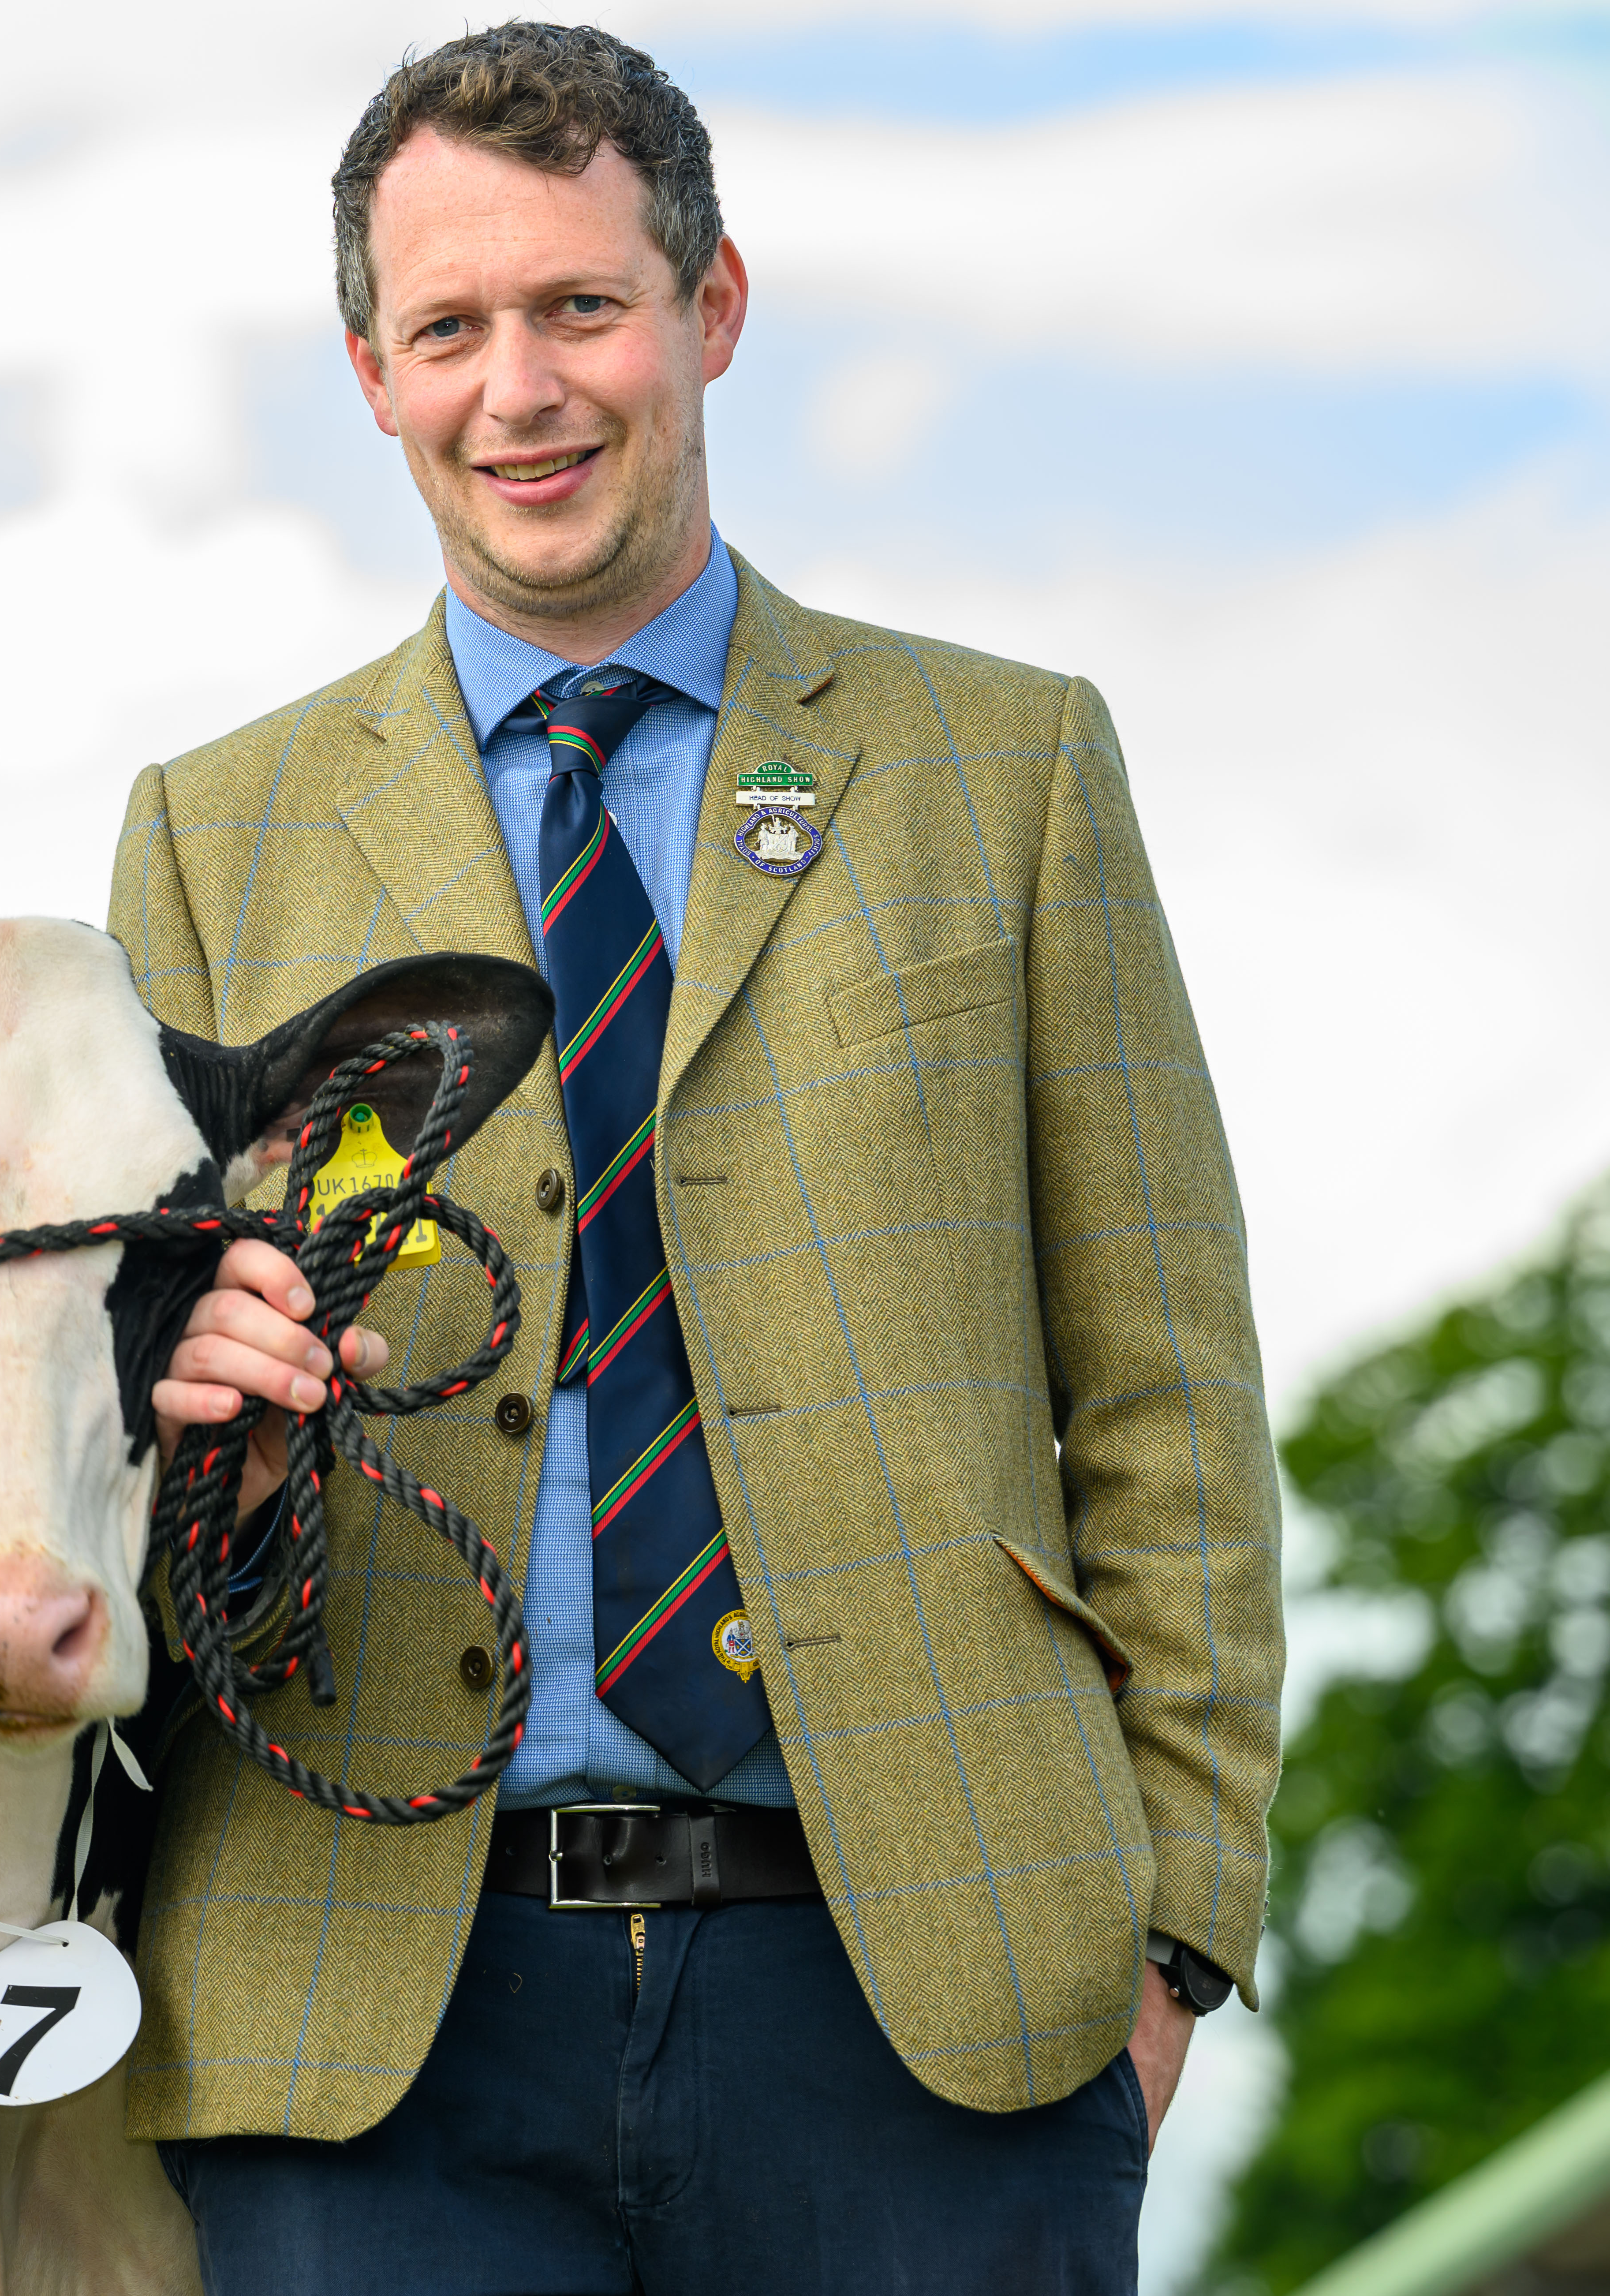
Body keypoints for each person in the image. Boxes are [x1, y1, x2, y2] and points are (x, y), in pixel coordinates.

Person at [117, 27, 1277, 2292]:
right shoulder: (210, 836)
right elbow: (126, 1435)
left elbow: (1171, 1402)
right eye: (449, 328)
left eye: (579, 307)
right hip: (366, 2038)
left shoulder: (1006, 768)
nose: (519, 388)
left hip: (934, 2010)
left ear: (711, 309)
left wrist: (1170, 1944)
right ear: (370, 371)